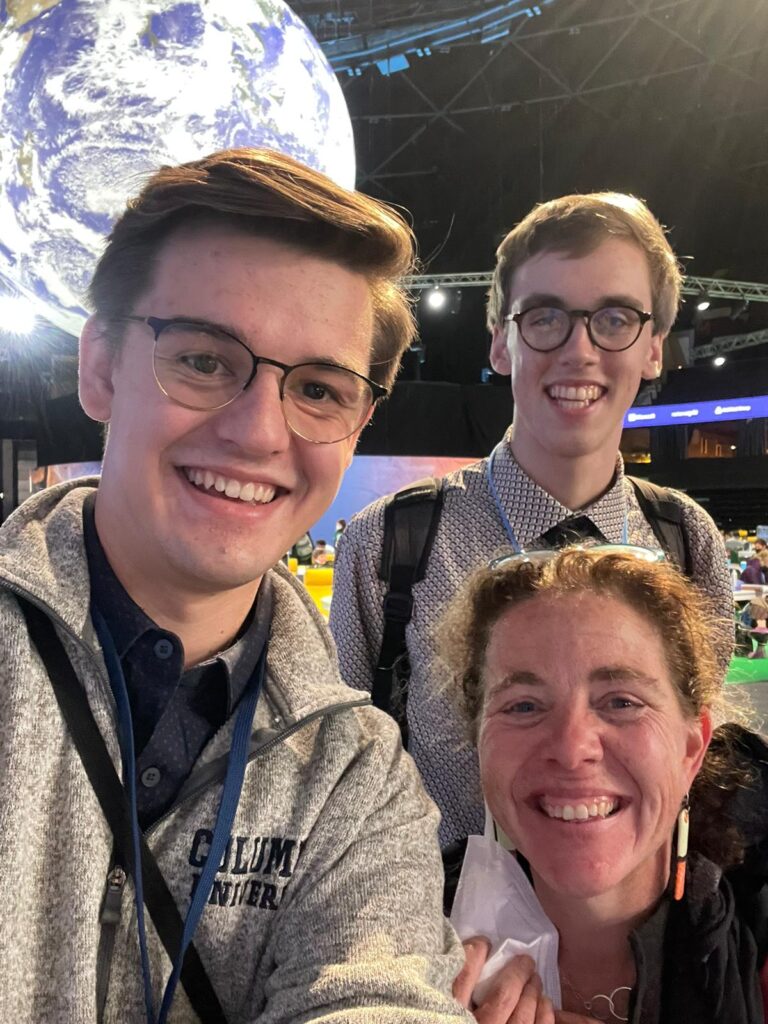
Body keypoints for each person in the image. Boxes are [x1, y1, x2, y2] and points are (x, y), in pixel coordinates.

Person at [0, 149, 472, 1022]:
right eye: (207, 361)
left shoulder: (358, 778)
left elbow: (379, 998)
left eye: (320, 389)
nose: (259, 433)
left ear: (357, 424)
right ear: (100, 365)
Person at [330, 191, 733, 847]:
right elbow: (337, 785)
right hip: (445, 930)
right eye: (545, 316)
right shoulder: (392, 544)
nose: (578, 349)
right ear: (500, 343)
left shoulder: (686, 540)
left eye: (614, 318)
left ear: (654, 349)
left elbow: (695, 760)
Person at [440, 546, 768, 1024]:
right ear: (479, 744)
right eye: (524, 705)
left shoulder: (753, 941)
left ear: (691, 748)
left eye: (621, 701)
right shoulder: (388, 942)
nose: (572, 749)